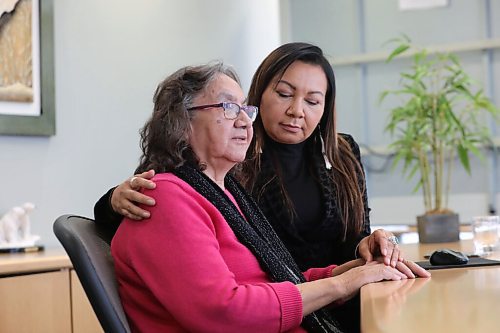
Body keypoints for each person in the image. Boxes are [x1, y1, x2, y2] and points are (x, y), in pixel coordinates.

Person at [110, 62, 419, 333]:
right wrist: (342, 283)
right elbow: (224, 312)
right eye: (229, 108)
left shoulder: (225, 194)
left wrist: (355, 270)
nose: (245, 121)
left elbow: (277, 281)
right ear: (182, 119)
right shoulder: (164, 197)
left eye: (246, 110)